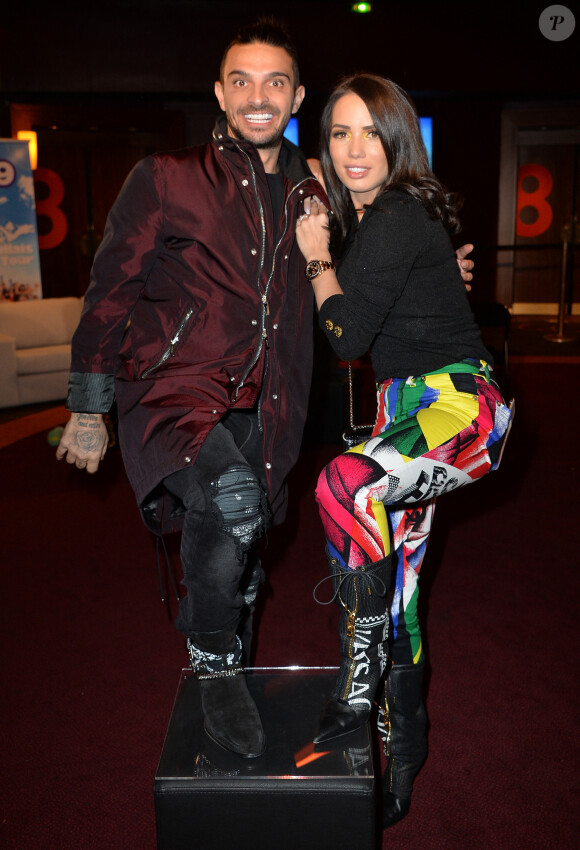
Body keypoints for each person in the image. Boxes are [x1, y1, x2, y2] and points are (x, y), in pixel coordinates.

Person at [55, 19, 475, 761]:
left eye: (274, 82)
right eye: (241, 81)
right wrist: (88, 404)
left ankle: (234, 642)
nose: (258, 96)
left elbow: (365, 268)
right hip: (172, 392)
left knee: (243, 547)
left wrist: (439, 271)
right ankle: (214, 665)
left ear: (296, 95)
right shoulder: (165, 175)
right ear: (218, 92)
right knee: (232, 503)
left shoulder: (315, 189)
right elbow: (109, 290)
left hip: (273, 407)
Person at [295, 73, 512, 826]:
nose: (355, 149)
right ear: (322, 146)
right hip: (403, 417)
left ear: (398, 142)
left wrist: (317, 256)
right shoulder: (370, 223)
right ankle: (405, 756)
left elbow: (347, 335)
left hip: (457, 407)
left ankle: (357, 681)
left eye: (370, 133)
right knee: (399, 598)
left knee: (341, 484)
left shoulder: (390, 212)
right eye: (339, 133)